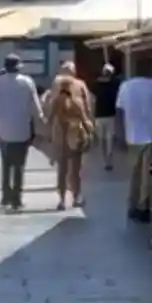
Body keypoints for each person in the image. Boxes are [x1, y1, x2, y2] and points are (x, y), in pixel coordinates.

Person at [0, 54, 41, 211]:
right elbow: (35, 106)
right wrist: (42, 122)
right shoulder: (27, 82)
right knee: (19, 166)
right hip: (22, 129)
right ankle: (17, 198)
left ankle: (5, 196)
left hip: (4, 131)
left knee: (6, 164)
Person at [42, 60, 97, 211]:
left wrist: (49, 136)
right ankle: (77, 196)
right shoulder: (79, 93)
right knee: (76, 168)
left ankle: (61, 199)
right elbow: (87, 112)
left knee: (62, 168)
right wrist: (90, 132)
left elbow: (50, 117)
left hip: (60, 133)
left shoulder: (56, 97)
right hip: (76, 133)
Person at [116, 63, 152, 221]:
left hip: (132, 135)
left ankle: (132, 205)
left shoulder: (125, 86)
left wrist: (120, 134)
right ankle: (144, 206)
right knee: (148, 174)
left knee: (134, 173)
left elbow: (119, 111)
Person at [91, 62, 122, 170]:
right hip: (111, 114)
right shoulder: (116, 84)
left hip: (99, 115)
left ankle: (105, 159)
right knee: (109, 138)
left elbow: (93, 99)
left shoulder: (96, 84)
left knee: (101, 139)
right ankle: (108, 159)